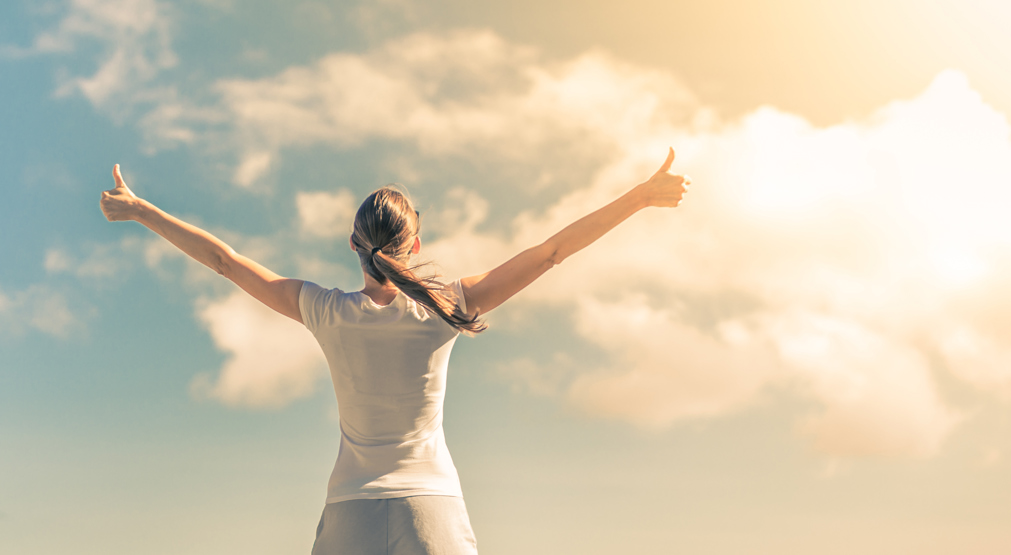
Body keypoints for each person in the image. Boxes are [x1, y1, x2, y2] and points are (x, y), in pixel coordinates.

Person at [99, 149, 691, 554]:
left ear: (353, 245)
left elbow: (225, 261)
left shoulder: (324, 310)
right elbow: (551, 251)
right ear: (414, 244)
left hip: (350, 512)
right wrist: (639, 196)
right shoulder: (448, 306)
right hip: (431, 510)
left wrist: (141, 209)